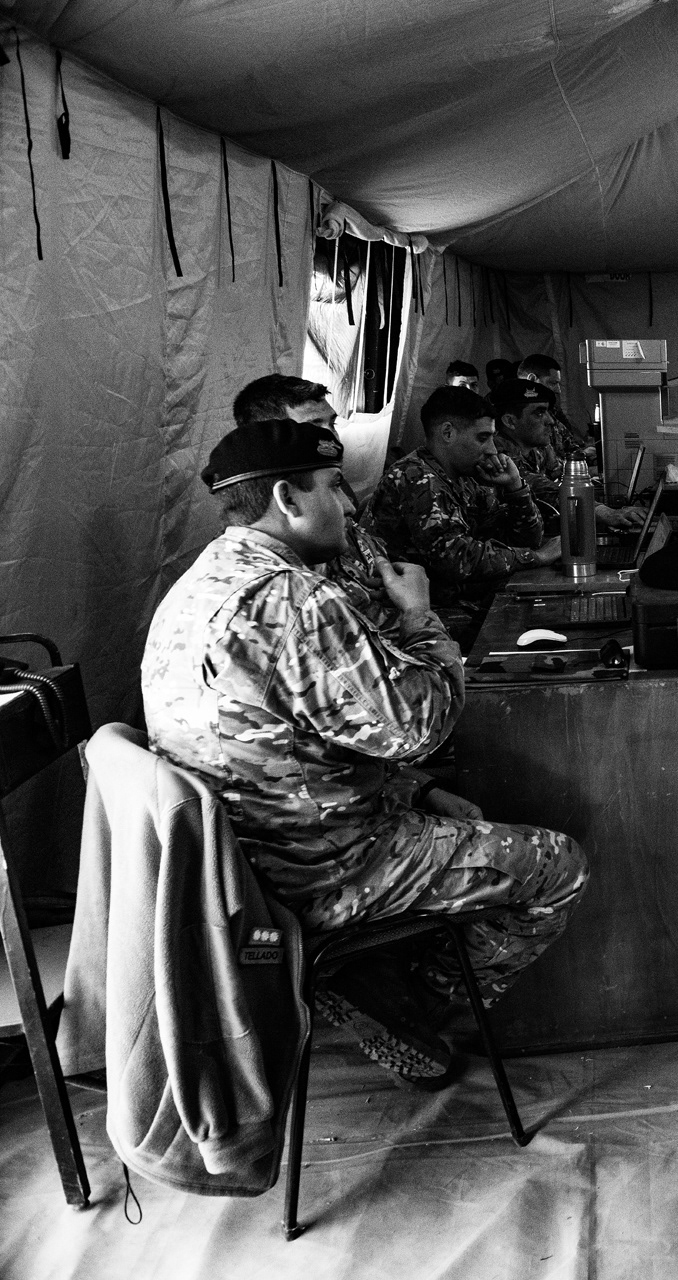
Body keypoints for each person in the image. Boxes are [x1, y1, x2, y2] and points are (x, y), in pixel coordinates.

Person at [142, 418, 587, 1085]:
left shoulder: (194, 587)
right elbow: (420, 728)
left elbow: (286, 743)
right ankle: (414, 1010)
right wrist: (418, 614)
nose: (349, 506)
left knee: (456, 801)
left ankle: (373, 974)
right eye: (333, 487)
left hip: (242, 866)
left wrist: (417, 790)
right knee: (559, 868)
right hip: (327, 869)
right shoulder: (295, 601)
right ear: (288, 500)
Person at [366, 386, 558, 647]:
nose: (492, 450)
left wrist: (515, 488)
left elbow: (524, 539)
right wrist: (535, 558)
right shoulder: (418, 478)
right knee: (516, 630)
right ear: (447, 433)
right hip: (414, 616)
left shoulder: (467, 477)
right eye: (482, 438)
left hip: (456, 601)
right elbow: (457, 559)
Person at [232, 375, 402, 633]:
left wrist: (385, 579)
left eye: (332, 424)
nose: (333, 438)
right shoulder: (271, 563)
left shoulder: (330, 486)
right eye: (314, 426)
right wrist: (417, 611)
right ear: (270, 438)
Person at [492, 378, 644, 535]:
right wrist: (607, 513)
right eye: (539, 413)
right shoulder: (497, 452)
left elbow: (558, 471)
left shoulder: (537, 450)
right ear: (510, 421)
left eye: (548, 412)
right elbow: (539, 488)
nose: (551, 421)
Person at [519, 352, 594, 459]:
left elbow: (569, 446)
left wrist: (584, 453)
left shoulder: (553, 411)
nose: (558, 390)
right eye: (552, 383)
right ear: (532, 379)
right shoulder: (518, 413)